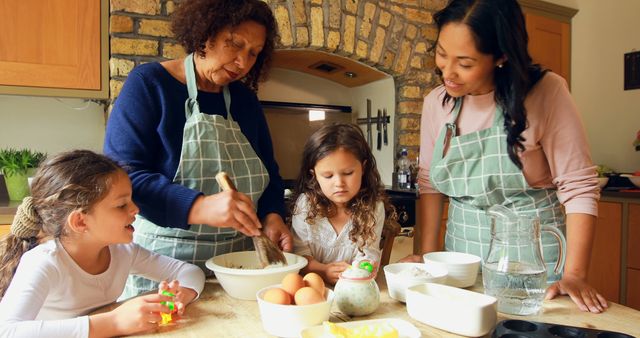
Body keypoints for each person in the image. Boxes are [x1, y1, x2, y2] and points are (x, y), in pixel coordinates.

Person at [402, 0, 608, 313]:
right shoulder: (436, 103)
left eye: (465, 63)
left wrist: (575, 274)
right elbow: (430, 184)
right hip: (461, 261)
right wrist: (429, 259)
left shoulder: (546, 93)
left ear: (501, 56)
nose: (448, 72)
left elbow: (578, 187)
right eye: (442, 53)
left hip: (534, 265)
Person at [103, 0, 292, 296]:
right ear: (206, 32)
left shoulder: (245, 101)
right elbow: (124, 178)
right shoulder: (150, 84)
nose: (243, 62)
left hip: (238, 269)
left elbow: (270, 175)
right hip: (164, 268)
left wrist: (272, 215)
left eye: (253, 53)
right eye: (235, 44)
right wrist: (199, 206)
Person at [0, 150, 205, 337]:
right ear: (80, 221)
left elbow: (189, 272)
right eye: (121, 205)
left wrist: (183, 294)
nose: (135, 209)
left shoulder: (123, 252)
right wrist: (115, 322)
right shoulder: (44, 262)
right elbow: (7, 331)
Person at [289, 123, 394, 284]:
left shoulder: (373, 207)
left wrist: (360, 270)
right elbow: (299, 256)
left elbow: (369, 254)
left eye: (348, 173)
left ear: (363, 168)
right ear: (314, 175)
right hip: (313, 289)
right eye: (328, 176)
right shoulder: (306, 205)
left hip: (354, 287)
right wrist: (323, 271)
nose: (339, 183)